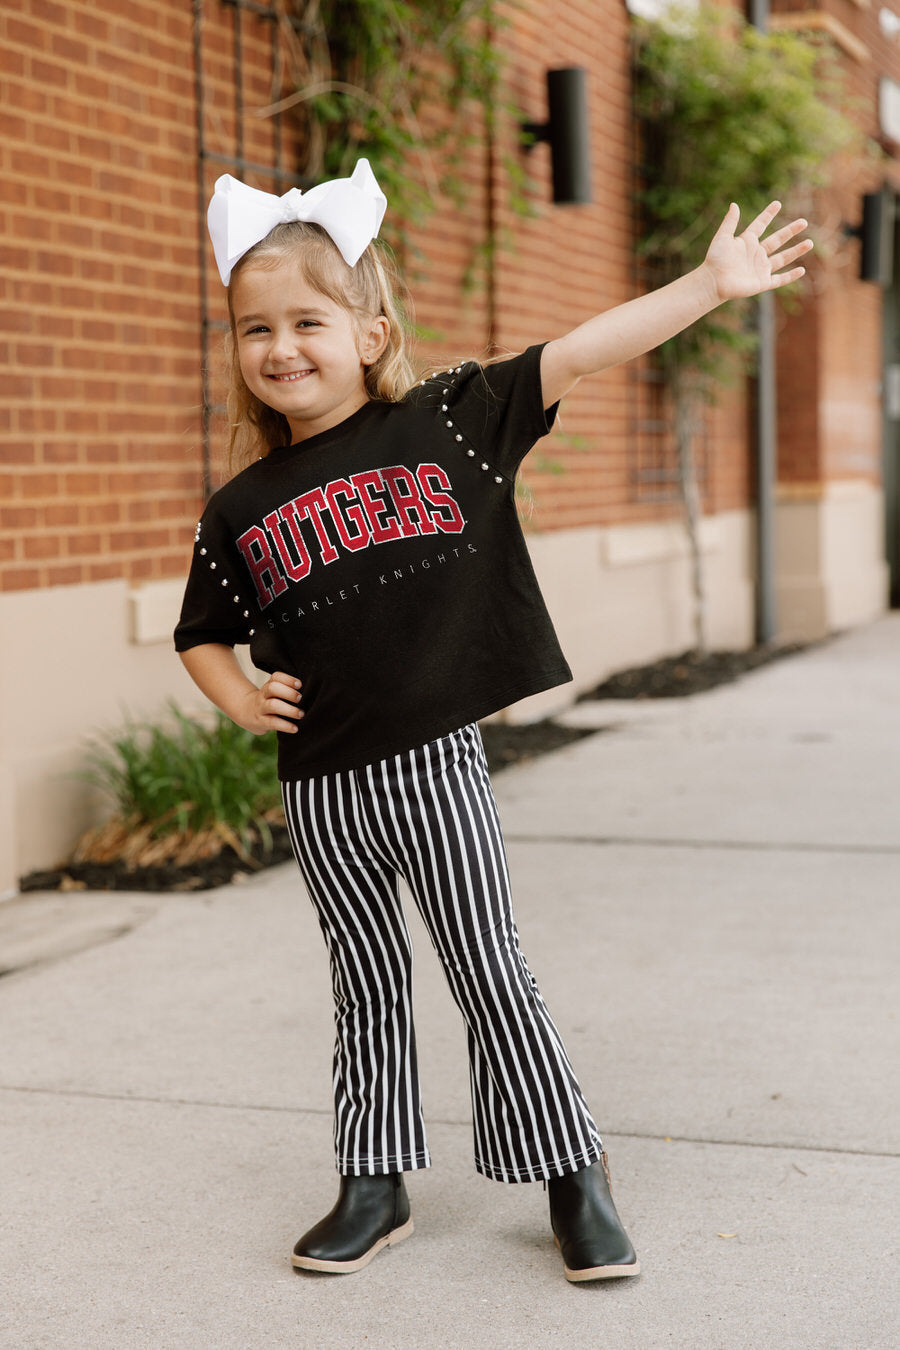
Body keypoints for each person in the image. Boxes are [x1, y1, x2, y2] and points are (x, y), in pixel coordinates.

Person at [174, 159, 811, 1281]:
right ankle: (374, 1181)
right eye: (253, 327)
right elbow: (201, 634)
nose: (280, 347)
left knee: (486, 967)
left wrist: (708, 286)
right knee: (362, 979)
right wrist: (238, 698)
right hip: (321, 783)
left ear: (370, 332)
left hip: (433, 766)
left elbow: (581, 349)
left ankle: (573, 1172)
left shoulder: (449, 422)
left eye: (308, 322)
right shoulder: (239, 508)